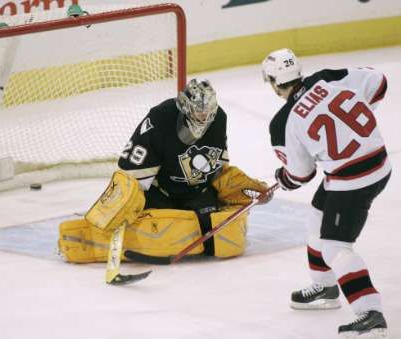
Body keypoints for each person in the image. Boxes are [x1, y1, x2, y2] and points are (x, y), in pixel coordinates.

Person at [59, 79, 271, 263]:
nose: (204, 117)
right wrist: (120, 208)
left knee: (222, 241)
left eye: (208, 112)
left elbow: (216, 168)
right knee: (157, 231)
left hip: (197, 194)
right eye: (199, 111)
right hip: (160, 193)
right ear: (185, 106)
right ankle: (94, 239)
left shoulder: (219, 119)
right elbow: (131, 174)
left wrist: (242, 187)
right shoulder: (160, 118)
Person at [262, 48, 390, 338]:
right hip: (378, 162)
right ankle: (326, 287)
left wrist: (283, 178)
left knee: (334, 246)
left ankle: (370, 314)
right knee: (317, 219)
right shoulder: (329, 78)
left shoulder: (282, 122)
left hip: (352, 180)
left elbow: (300, 174)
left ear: (273, 81)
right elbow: (379, 82)